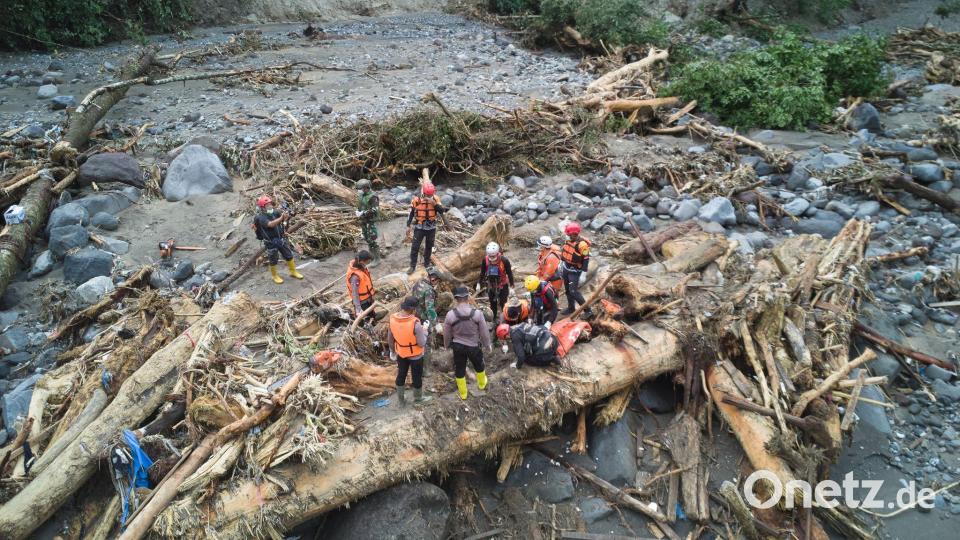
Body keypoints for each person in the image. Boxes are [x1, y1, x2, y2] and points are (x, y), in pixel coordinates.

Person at [443, 286, 491, 400]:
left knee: (459, 368)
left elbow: (446, 333)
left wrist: (446, 345)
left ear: (456, 299)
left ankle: (463, 393)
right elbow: (484, 332)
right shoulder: (477, 314)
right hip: (473, 346)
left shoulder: (450, 315)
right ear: (468, 297)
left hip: (458, 346)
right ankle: (482, 384)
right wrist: (487, 345)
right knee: (479, 365)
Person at [388, 296, 432, 405]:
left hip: (401, 353)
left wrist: (392, 351)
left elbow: (390, 338)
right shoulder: (415, 324)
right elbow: (421, 343)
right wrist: (425, 330)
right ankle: (418, 398)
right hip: (416, 356)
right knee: (416, 377)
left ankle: (401, 400)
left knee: (401, 375)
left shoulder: (393, 319)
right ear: (414, 309)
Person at [254, 195, 304, 284]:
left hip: (281, 238)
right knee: (273, 259)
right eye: (267, 205)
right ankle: (275, 276)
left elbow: (283, 221)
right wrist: (281, 218)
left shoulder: (275, 212)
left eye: (270, 204)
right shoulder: (260, 217)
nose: (270, 206)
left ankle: (293, 271)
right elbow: (270, 224)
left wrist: (286, 219)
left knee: (288, 255)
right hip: (271, 242)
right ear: (262, 208)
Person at [406, 182, 447, 275]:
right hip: (419, 227)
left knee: (429, 246)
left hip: (431, 228)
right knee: (415, 247)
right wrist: (408, 226)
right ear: (424, 193)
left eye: (431, 194)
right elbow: (411, 213)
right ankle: (412, 266)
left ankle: (427, 263)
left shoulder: (435, 199)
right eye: (428, 195)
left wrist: (434, 203)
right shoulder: (417, 200)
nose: (429, 196)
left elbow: (442, 210)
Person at [411, 266, 441, 372]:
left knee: (416, 341)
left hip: (414, 316)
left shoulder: (418, 283)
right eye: (438, 280)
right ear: (433, 278)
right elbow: (430, 309)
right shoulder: (429, 290)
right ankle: (426, 369)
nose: (437, 283)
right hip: (424, 320)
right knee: (426, 343)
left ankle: (416, 365)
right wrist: (436, 323)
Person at [560, 222, 591, 316]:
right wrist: (561, 263)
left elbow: (586, 259)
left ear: (574, 234)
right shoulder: (569, 240)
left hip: (575, 271)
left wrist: (583, 274)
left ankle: (588, 311)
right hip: (566, 268)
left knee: (573, 291)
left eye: (568, 234)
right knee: (567, 290)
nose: (566, 236)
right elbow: (565, 252)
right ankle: (571, 308)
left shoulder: (582, 245)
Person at [477, 242, 514, 321]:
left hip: (502, 285)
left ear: (497, 253)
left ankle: (505, 319)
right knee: (492, 303)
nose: (491, 258)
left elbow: (510, 273)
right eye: (490, 256)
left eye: (493, 256)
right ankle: (493, 319)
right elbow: (482, 273)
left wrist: (512, 287)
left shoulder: (504, 260)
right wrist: (478, 283)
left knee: (503, 303)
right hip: (491, 285)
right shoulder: (485, 260)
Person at [355, 179, 382, 266]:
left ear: (366, 188)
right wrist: (357, 211)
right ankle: (372, 258)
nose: (359, 191)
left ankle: (377, 259)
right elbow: (360, 205)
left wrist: (363, 213)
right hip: (363, 220)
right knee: (367, 238)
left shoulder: (373, 197)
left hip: (370, 221)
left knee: (372, 239)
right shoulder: (362, 196)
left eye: (360, 189)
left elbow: (375, 209)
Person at [346, 250, 375, 320]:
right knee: (367, 320)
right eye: (368, 261)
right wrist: (358, 309)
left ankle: (373, 318)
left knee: (372, 316)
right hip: (362, 303)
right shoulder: (355, 277)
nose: (368, 263)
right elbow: (354, 293)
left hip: (368, 299)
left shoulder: (361, 267)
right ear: (362, 261)